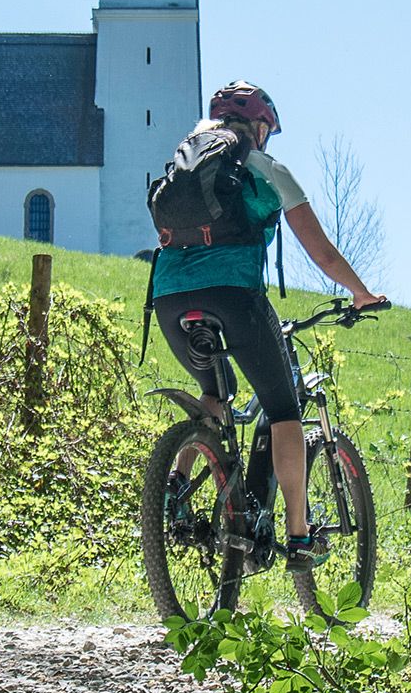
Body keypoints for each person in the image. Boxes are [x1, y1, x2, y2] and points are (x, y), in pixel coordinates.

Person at [148, 81, 385, 566]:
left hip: (168, 299)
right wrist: (360, 293)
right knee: (282, 411)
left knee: (214, 391)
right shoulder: (267, 169)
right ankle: (299, 535)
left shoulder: (182, 167)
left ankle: (175, 489)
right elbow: (319, 251)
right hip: (235, 297)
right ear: (259, 127)